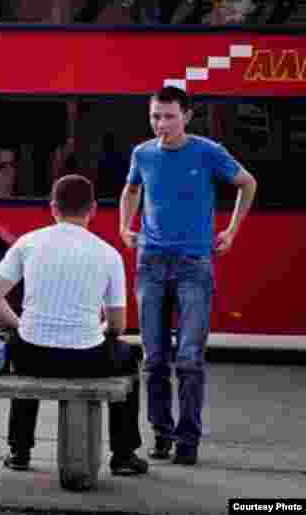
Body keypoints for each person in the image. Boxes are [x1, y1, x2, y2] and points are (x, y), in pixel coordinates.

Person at [120, 86, 257, 466]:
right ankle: (161, 435)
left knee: (190, 359)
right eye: (154, 116)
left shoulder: (208, 151)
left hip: (194, 265)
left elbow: (248, 183)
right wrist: (124, 226)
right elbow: (131, 190)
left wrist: (231, 231)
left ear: (186, 116)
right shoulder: (143, 153)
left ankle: (188, 440)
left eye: (168, 116)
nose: (160, 124)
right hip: (150, 264)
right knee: (154, 359)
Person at [0, 174, 148, 477]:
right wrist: (95, 333)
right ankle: (123, 454)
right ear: (93, 209)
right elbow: (118, 325)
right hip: (86, 358)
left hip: (34, 355)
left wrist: (21, 325)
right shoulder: (108, 254)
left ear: (53, 207)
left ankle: (19, 451)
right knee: (127, 357)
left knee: (22, 349)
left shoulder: (28, 243)